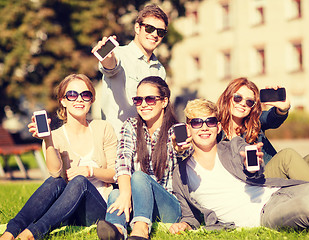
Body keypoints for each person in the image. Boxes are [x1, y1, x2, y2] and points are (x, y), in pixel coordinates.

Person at [169, 99, 309, 234]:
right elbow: (190, 216)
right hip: (263, 213)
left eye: (209, 122)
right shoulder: (181, 174)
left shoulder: (232, 146)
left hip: (281, 191)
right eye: (196, 122)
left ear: (217, 127)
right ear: (188, 128)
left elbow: (255, 172)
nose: (204, 128)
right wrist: (183, 225)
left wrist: (252, 166)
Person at [0, 74, 117, 240]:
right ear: (63, 100)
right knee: (56, 181)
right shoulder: (54, 136)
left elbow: (115, 174)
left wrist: (89, 171)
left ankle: (33, 233)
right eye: (72, 95)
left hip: (97, 210)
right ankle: (11, 231)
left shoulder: (103, 128)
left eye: (85, 95)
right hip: (67, 210)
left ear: (91, 100)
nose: (79, 100)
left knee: (80, 181)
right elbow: (55, 175)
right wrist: (48, 140)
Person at [96, 76, 188, 240]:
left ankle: (141, 230)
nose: (143, 104)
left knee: (138, 176)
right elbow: (122, 162)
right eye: (138, 100)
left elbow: (185, 153)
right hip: (139, 202)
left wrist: (179, 149)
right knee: (116, 194)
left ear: (164, 101)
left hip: (168, 205)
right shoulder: (130, 126)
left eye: (150, 99)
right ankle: (116, 231)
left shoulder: (176, 131)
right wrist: (125, 195)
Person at [217, 77, 309, 189]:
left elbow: (271, 118)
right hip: (253, 182)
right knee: (287, 156)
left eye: (249, 101)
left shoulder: (254, 123)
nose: (242, 104)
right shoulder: (215, 129)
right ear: (227, 96)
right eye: (238, 98)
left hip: (273, 172)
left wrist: (282, 109)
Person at [91, 4, 168, 136]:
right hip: (116, 142)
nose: (154, 34)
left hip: (147, 144)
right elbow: (110, 65)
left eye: (160, 32)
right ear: (137, 28)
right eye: (149, 28)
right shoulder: (119, 54)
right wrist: (106, 57)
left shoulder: (160, 70)